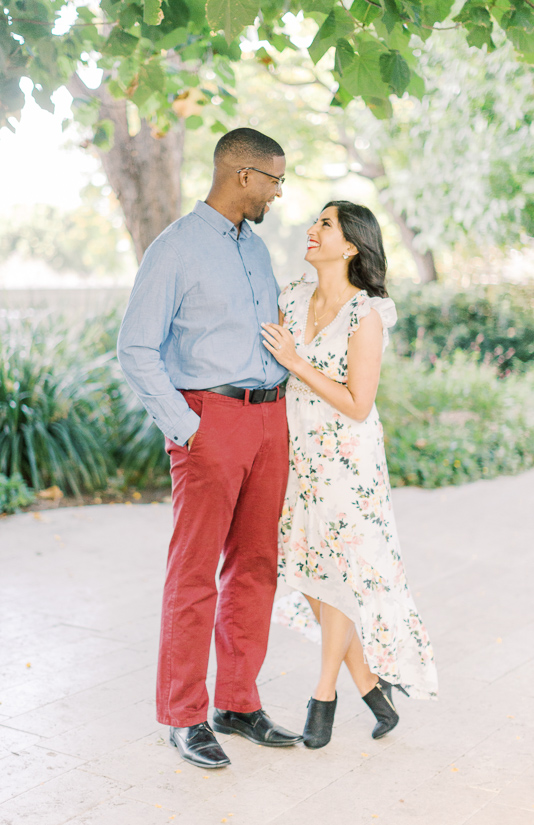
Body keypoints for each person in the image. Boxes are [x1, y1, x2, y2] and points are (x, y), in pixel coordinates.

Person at [118, 128, 303, 769]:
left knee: (256, 565)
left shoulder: (256, 250)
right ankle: (185, 715)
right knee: (195, 573)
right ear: (242, 174)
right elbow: (136, 347)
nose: (279, 193)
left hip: (268, 418)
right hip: (209, 419)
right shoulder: (175, 248)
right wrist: (185, 425)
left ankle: (239, 703)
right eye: (275, 180)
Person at [261, 201, 438, 749]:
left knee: (336, 570)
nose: (311, 231)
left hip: (347, 460)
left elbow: (359, 404)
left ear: (352, 245)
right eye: (315, 222)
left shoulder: (367, 314)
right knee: (303, 563)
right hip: (297, 454)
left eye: (326, 225)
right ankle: (367, 681)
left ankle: (324, 694)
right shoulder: (290, 296)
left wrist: (297, 362)